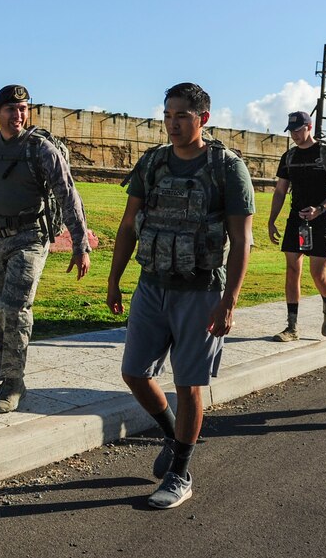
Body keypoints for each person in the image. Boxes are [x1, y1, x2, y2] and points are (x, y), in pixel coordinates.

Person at [107, 82, 254, 510]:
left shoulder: (227, 168)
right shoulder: (153, 161)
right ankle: (175, 437)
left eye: (182, 116)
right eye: (168, 115)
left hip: (201, 290)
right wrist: (115, 279)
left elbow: (242, 240)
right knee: (134, 372)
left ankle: (181, 472)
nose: (172, 123)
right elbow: (129, 224)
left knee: (189, 385)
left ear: (203, 119)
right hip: (152, 285)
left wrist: (229, 300)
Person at [0, 84, 91, 414]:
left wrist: (81, 245)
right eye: (11, 109)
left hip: (30, 237)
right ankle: (7, 378)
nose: (18, 115)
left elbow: (69, 196)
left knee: (14, 307)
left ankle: (13, 383)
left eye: (23, 108)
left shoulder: (40, 149)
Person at [268, 111, 326, 341]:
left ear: (309, 127)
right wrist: (272, 220)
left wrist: (319, 209)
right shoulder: (289, 157)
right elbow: (281, 190)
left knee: (318, 273)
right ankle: (291, 327)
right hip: (297, 220)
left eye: (299, 130)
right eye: (291, 131)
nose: (295, 135)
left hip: (321, 219)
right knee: (292, 270)